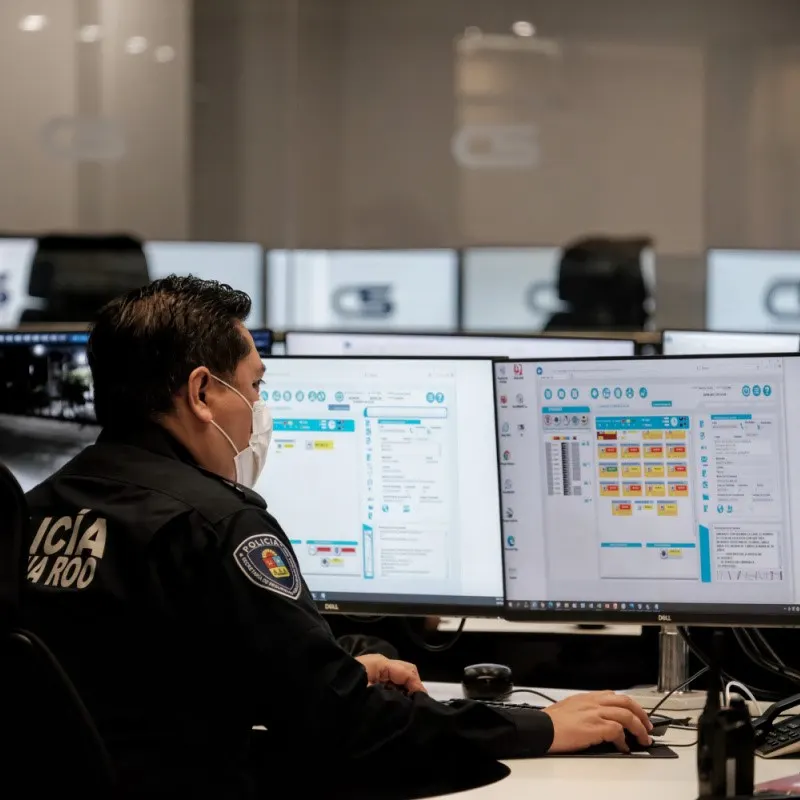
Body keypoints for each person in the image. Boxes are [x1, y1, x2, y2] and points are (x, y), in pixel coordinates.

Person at [21, 276, 653, 799]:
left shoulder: (35, 509)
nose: (260, 408)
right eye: (256, 386)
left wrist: (330, 669)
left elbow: (146, 686)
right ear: (203, 393)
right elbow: (346, 725)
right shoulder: (217, 523)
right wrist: (538, 726)